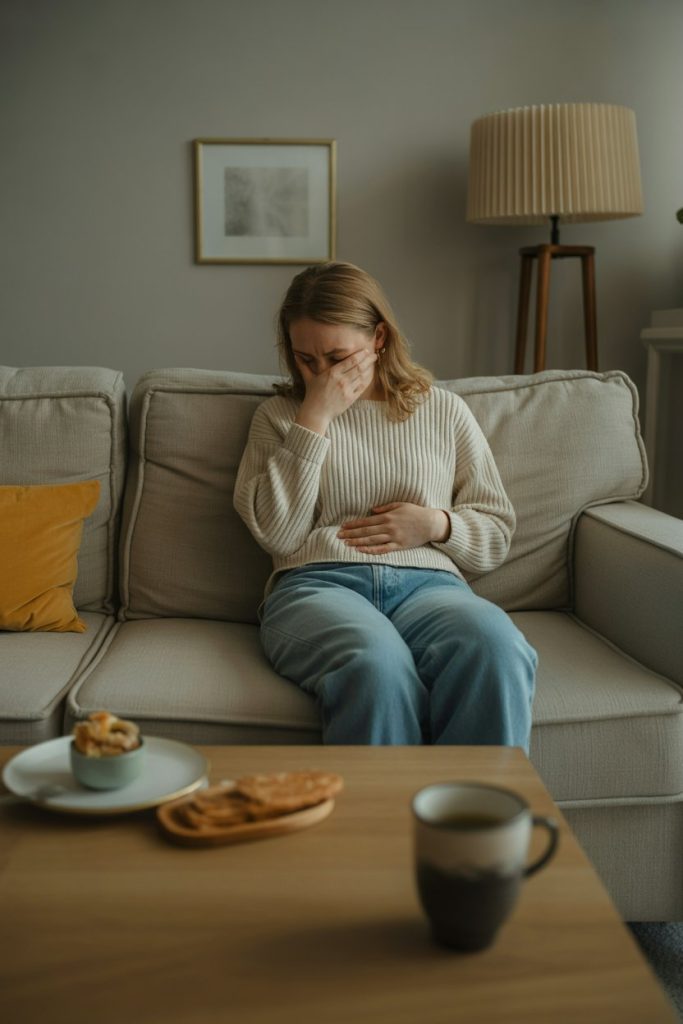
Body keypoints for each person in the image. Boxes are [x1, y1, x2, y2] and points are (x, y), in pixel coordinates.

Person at [233, 262, 537, 748]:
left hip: (430, 588)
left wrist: (436, 525)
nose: (322, 375)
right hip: (317, 587)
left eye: (337, 357)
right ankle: (382, 823)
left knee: (496, 647)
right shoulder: (278, 417)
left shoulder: (443, 410)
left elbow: (496, 530)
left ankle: (476, 820)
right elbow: (277, 533)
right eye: (306, 360)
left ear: (377, 338)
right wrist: (315, 416)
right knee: (376, 663)